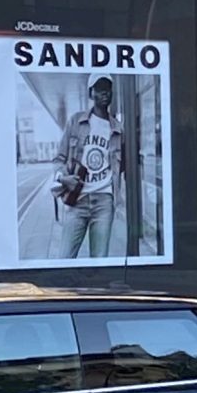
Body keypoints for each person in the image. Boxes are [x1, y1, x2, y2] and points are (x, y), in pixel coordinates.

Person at [55, 75, 126, 260]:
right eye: (99, 88)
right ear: (90, 93)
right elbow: (59, 158)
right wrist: (63, 178)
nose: (104, 93)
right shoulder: (76, 122)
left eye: (107, 89)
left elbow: (122, 166)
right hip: (78, 199)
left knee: (100, 261)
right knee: (64, 258)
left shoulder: (118, 129)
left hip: (104, 202)